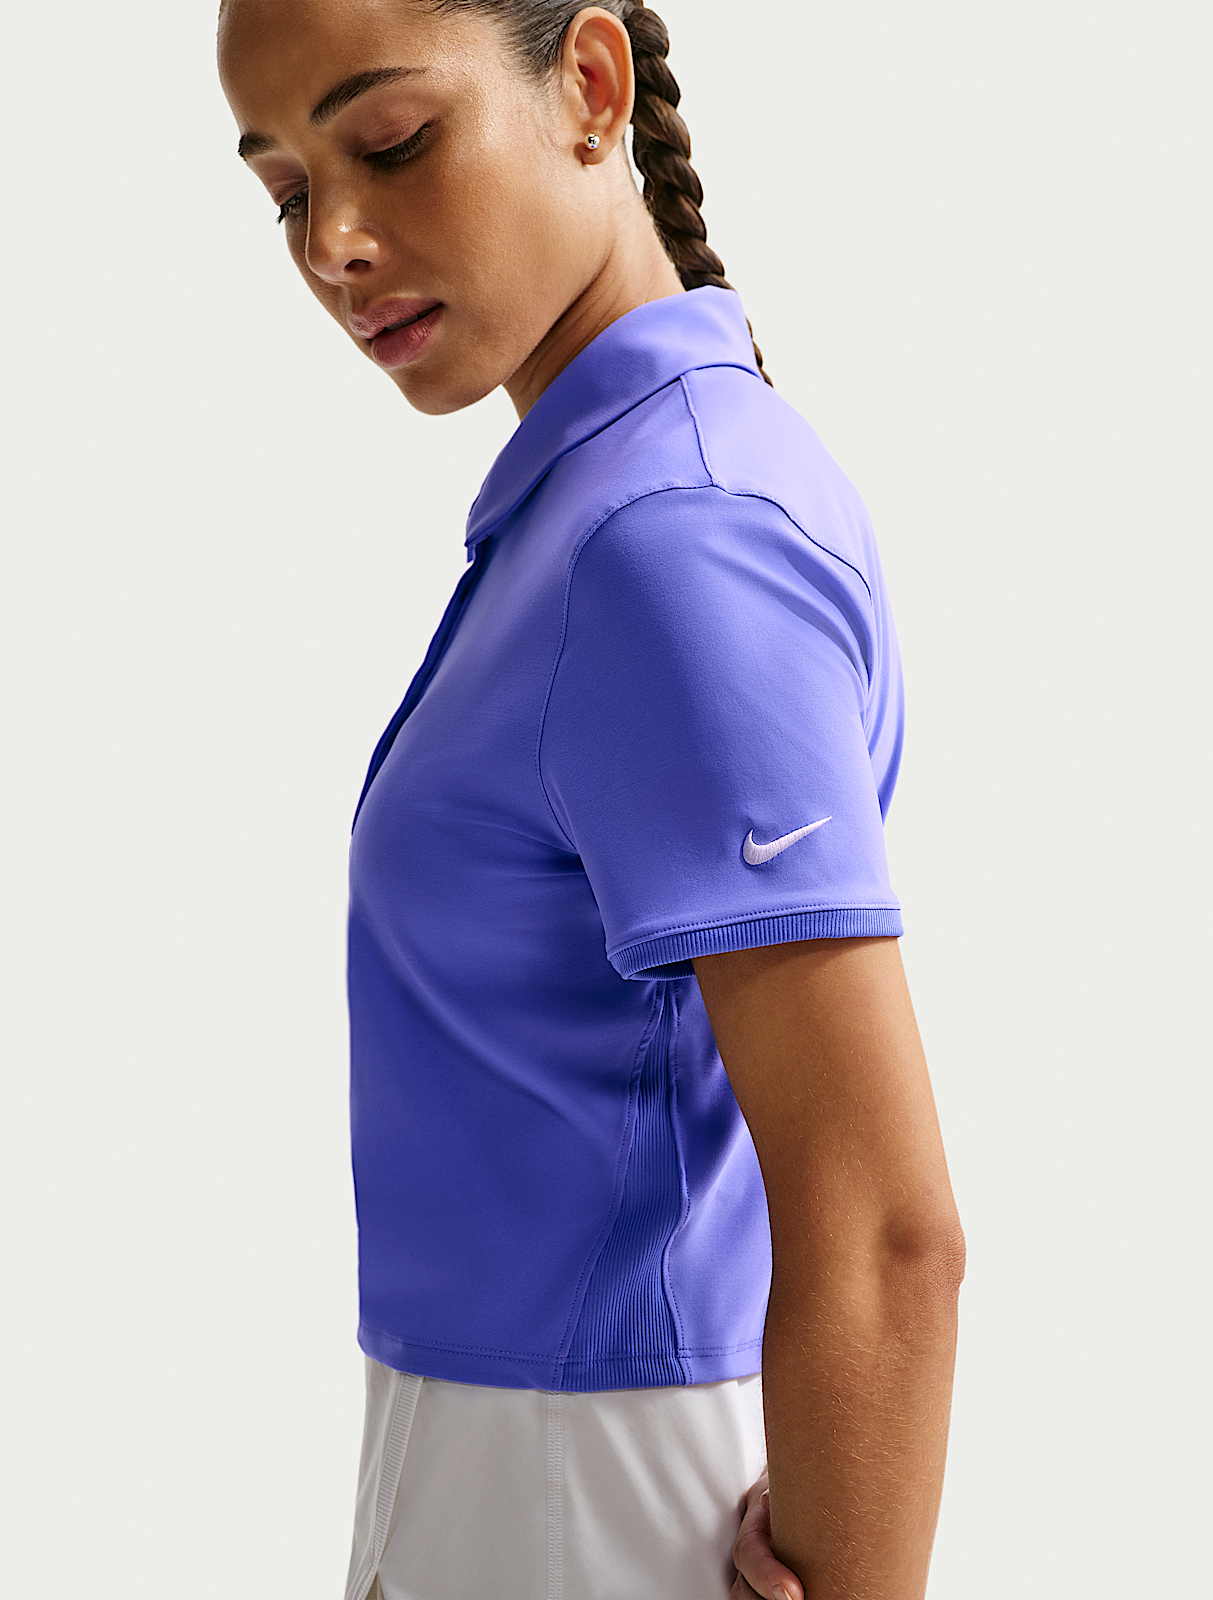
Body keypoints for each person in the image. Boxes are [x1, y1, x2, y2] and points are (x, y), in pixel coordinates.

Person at [217, 2, 965, 1595]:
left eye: (391, 143)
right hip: (502, 1480)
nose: (334, 243)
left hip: (576, 1503)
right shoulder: (609, 507)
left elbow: (886, 1235)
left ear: (592, 86)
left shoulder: (668, 537)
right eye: (285, 191)